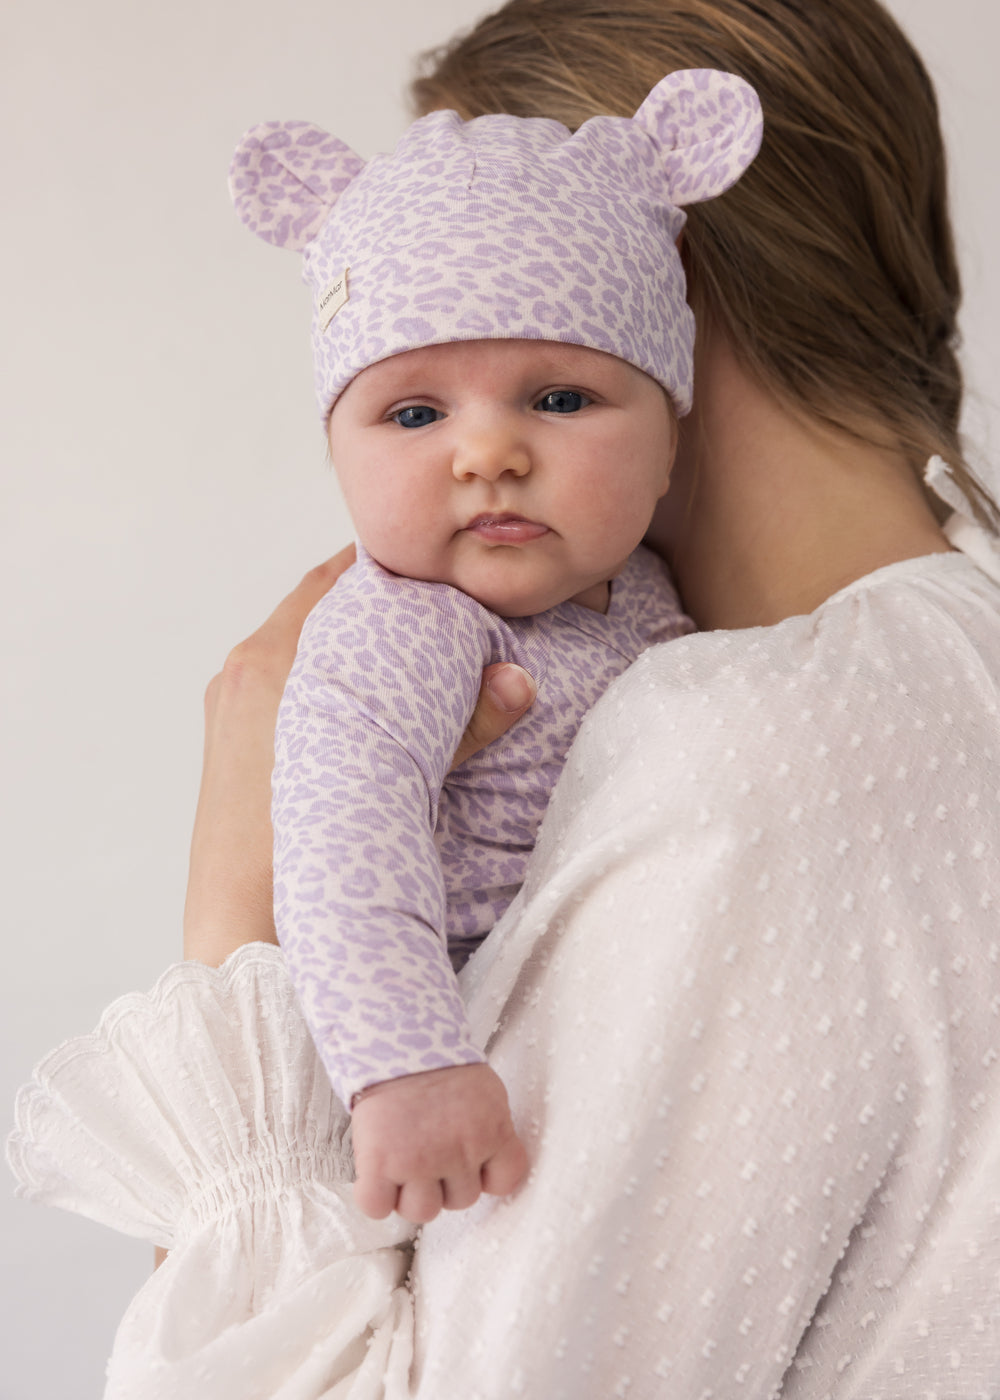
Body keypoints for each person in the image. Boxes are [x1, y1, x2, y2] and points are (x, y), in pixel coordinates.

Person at [8, 0, 1000, 1396]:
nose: (475, 448)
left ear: (650, 285)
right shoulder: (949, 661)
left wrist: (239, 905)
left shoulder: (744, 766)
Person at [228, 68, 761, 1225]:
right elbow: (339, 830)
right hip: (428, 1098)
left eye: (559, 398)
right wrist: (406, 1061)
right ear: (340, 455)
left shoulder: (654, 596)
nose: (488, 453)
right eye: (415, 414)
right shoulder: (405, 621)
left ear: (669, 436)